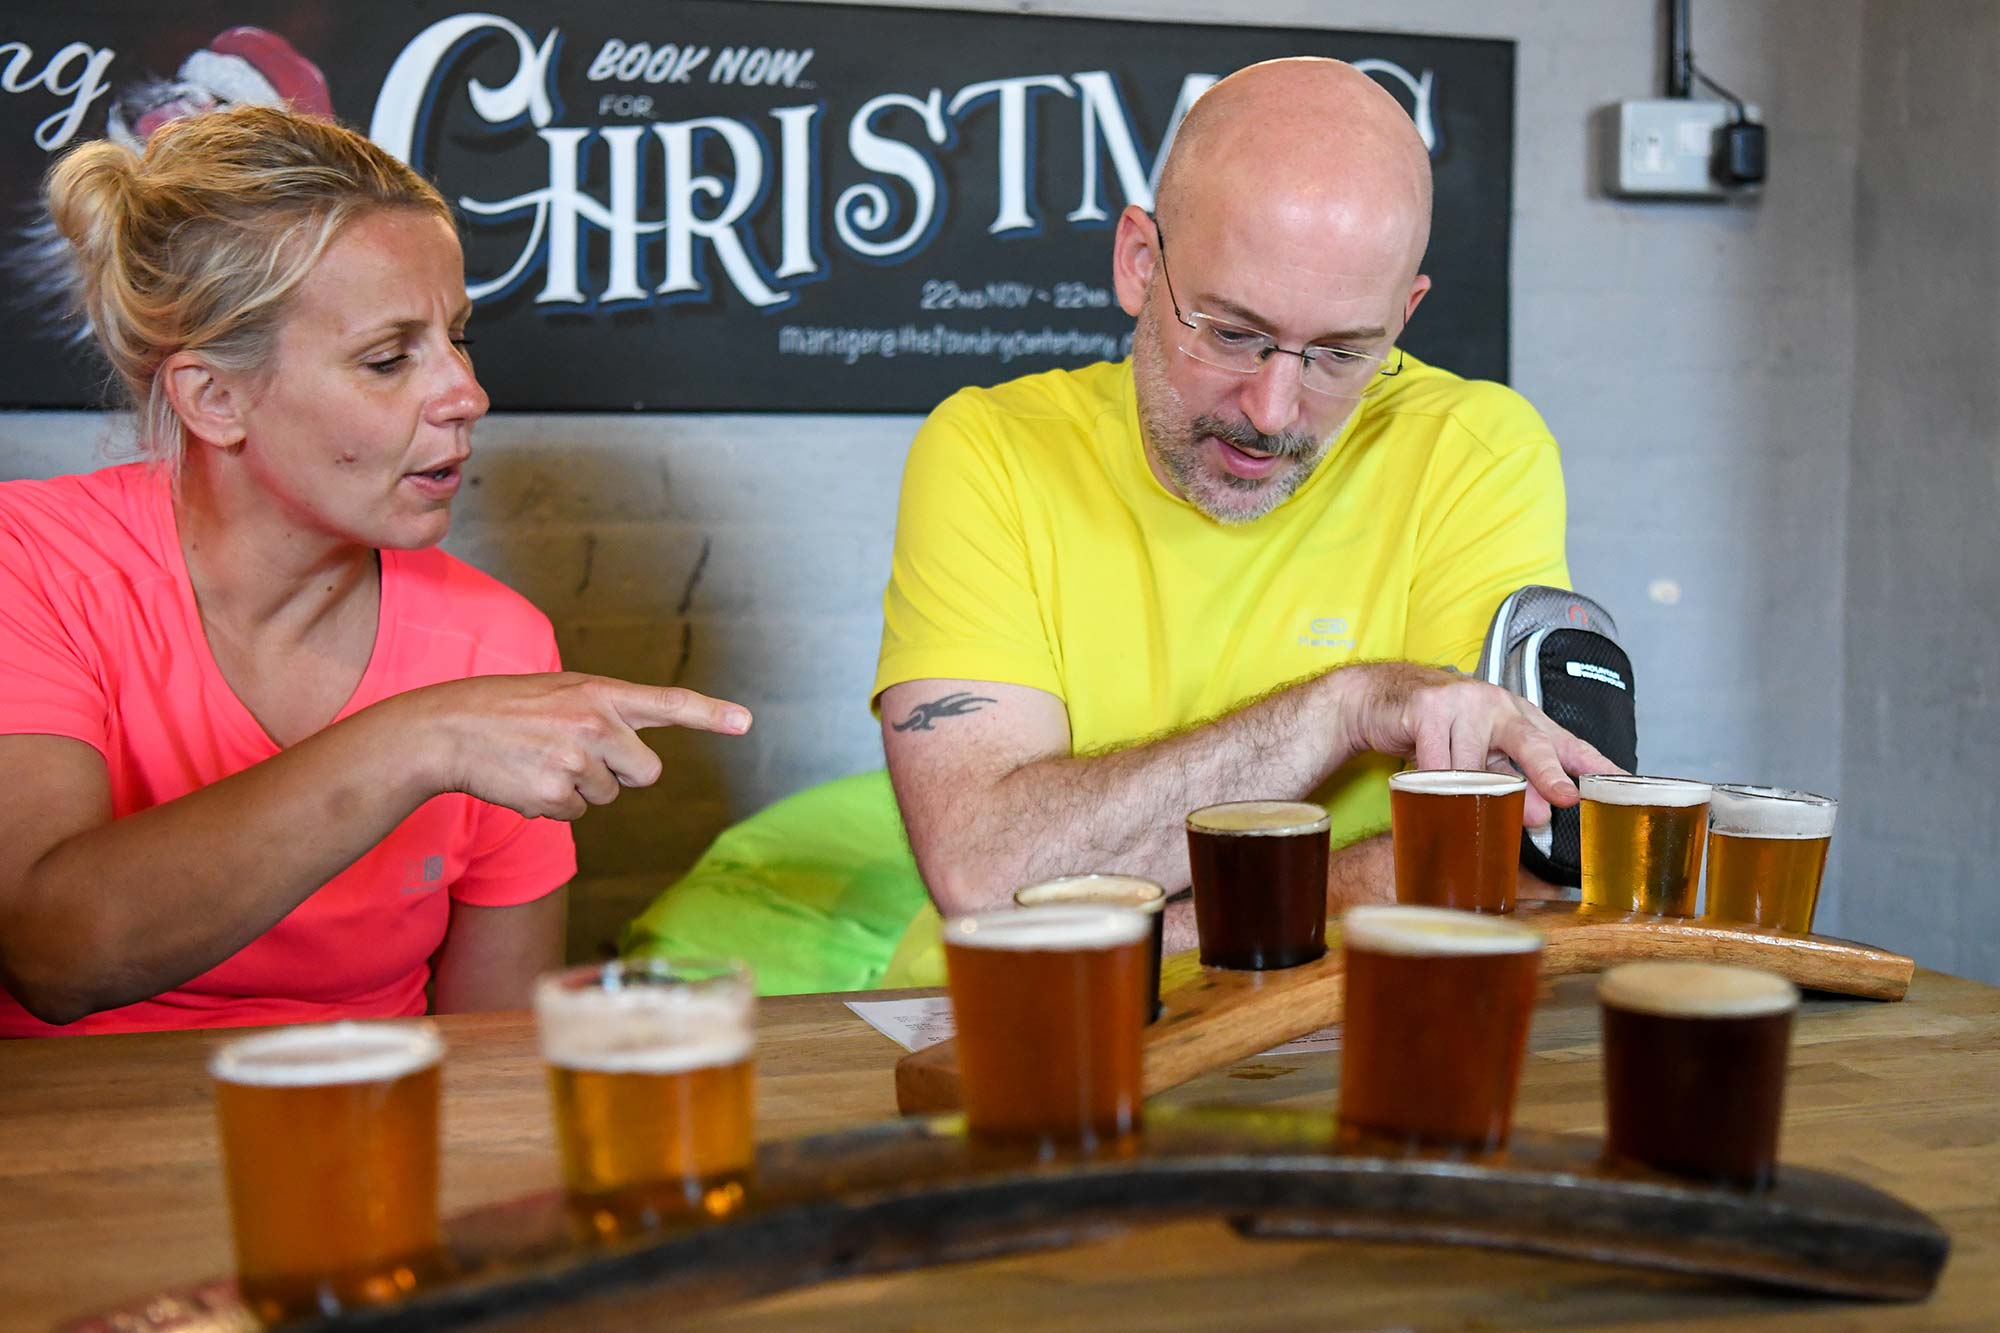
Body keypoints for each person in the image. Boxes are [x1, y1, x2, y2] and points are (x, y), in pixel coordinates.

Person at [0, 105, 749, 1036]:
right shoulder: (27, 563)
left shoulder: (498, 641)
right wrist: (422, 738)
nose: (467, 395)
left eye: (457, 337)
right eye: (389, 359)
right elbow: (50, 954)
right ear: (215, 397)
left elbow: (492, 1054)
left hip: (369, 1139)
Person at [874, 58, 1614, 950]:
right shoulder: (992, 448)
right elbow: (988, 874)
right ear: (1141, 264)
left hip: (1344, 1037)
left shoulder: (1476, 449)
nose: (1272, 412)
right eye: (1231, 334)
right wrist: (1339, 708)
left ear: (1404, 316)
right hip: (1022, 1020)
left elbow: (1513, 864)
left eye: (1341, 354)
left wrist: (1162, 925)